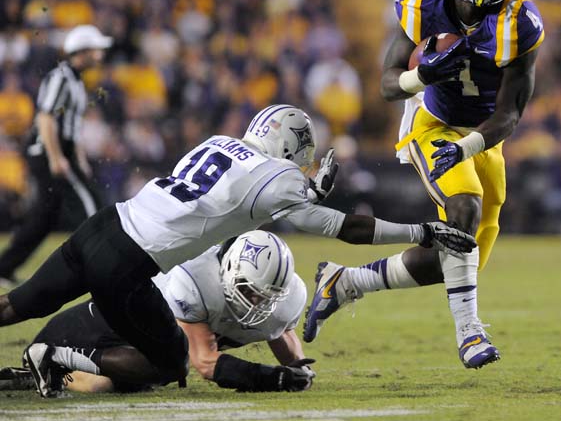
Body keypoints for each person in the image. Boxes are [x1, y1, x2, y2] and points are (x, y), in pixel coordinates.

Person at [0, 104, 476, 398]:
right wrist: (422, 231)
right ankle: (55, 354)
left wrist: (308, 193)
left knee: (18, 302)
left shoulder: (220, 142)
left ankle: (46, 346)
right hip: (129, 262)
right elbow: (345, 228)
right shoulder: (280, 179)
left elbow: (240, 193)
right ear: (291, 147)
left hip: (106, 224)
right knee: (170, 365)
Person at [302, 0, 545, 370]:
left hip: (481, 137)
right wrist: (424, 75)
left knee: (454, 258)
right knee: (465, 209)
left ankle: (346, 282)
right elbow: (388, 84)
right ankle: (470, 334)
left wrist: (469, 148)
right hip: (430, 123)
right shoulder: (423, 0)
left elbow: (510, 114)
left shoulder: (519, 21)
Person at [3, 231, 313, 395]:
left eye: (266, 295)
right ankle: (56, 355)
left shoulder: (286, 297)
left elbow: (280, 329)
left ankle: (41, 369)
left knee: (128, 383)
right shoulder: (196, 279)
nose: (258, 302)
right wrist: (273, 379)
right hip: (99, 326)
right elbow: (204, 362)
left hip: (133, 342)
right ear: (229, 273)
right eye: (250, 291)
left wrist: (297, 368)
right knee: (168, 366)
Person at [0, 25, 111, 288]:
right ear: (81, 51)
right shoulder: (61, 77)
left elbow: (71, 125)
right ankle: (99, 266)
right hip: (49, 149)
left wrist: (78, 156)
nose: (100, 54)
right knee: (90, 203)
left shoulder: (74, 79)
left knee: (45, 215)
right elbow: (45, 116)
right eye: (95, 48)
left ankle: (4, 267)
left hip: (62, 150)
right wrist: (55, 157)